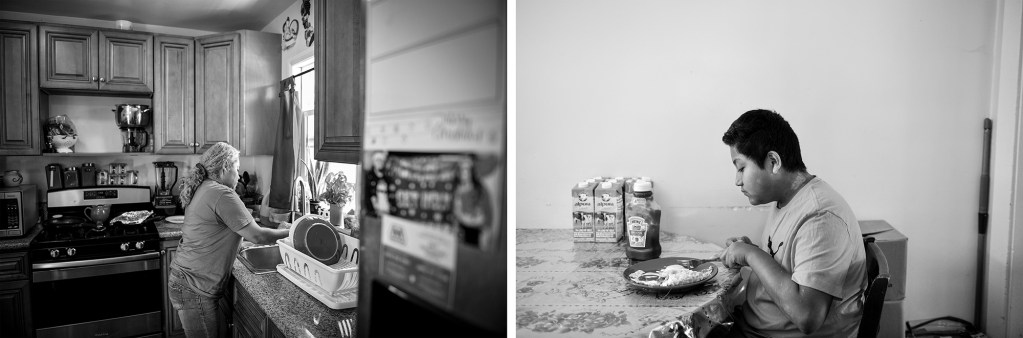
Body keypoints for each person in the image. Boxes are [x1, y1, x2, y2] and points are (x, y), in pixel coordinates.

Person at [718, 109, 866, 337]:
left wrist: (751, 255)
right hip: (753, 327)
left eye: (741, 168)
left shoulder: (820, 216)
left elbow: (807, 315)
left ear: (773, 161)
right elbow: (788, 267)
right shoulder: (786, 199)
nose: (737, 181)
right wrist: (753, 252)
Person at [167, 142, 290, 337]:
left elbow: (222, 233)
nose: (239, 175)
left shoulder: (205, 187)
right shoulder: (221, 193)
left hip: (188, 281)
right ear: (225, 167)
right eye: (237, 169)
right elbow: (257, 235)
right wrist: (290, 233)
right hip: (195, 287)